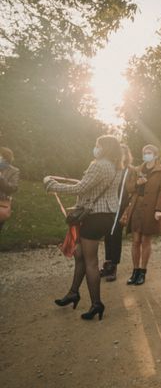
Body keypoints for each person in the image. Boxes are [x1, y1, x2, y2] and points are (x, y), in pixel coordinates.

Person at [44, 135, 122, 321]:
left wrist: (52, 185)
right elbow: (92, 187)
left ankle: (96, 304)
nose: (95, 148)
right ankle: (73, 293)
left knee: (90, 261)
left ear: (104, 148)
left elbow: (80, 188)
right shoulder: (115, 166)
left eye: (98, 145)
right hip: (107, 215)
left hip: (94, 216)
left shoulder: (99, 164)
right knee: (80, 255)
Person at [124, 144, 161, 286]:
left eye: (149, 152)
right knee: (135, 240)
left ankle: (143, 272)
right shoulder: (136, 170)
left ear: (155, 155)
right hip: (137, 207)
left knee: (145, 240)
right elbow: (129, 188)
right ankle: (135, 271)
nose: (146, 154)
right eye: (144, 152)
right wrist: (137, 183)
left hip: (150, 209)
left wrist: (159, 209)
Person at [100, 144, 134, 282]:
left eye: (124, 153)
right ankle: (107, 265)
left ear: (127, 155)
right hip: (109, 206)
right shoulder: (113, 168)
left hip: (121, 206)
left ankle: (113, 267)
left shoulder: (130, 170)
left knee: (116, 236)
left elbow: (133, 189)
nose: (121, 155)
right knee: (108, 235)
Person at [0, 147, 20, 231]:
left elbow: (13, 188)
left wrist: (0, 178)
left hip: (1, 202)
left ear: (5, 157)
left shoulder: (14, 171)